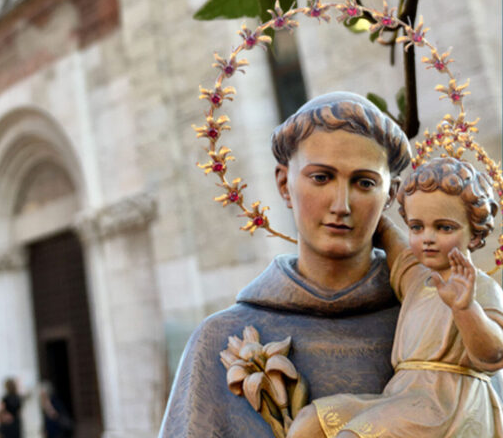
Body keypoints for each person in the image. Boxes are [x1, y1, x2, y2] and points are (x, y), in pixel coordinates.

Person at [159, 92, 412, 436]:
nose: (341, 205)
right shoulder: (219, 339)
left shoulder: (437, 324)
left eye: (364, 183)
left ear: (391, 195)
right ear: (284, 183)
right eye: (321, 178)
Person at [287, 157, 503, 437]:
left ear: (474, 235)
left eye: (444, 228)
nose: (427, 238)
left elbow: (494, 354)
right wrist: (356, 205)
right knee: (310, 423)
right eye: (416, 226)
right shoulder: (417, 278)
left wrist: (465, 308)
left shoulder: (480, 288)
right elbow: (389, 236)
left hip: (448, 407)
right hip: (402, 397)